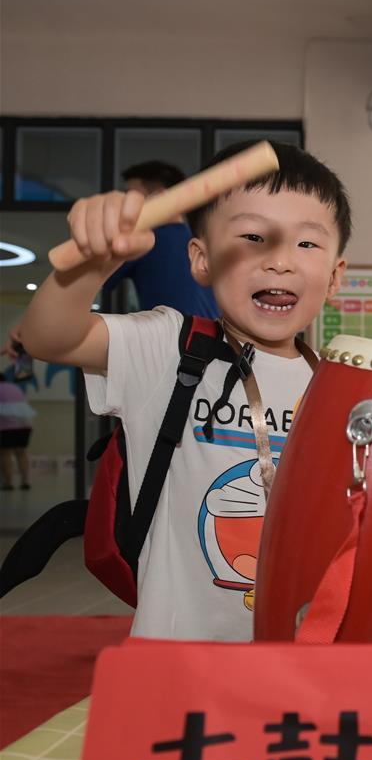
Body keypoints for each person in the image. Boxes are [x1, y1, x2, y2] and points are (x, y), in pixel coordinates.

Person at [19, 141, 350, 641]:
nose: (280, 261)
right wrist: (92, 263)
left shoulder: (341, 385)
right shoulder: (169, 347)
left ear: (334, 277)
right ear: (201, 259)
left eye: (306, 244)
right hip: (175, 660)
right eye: (254, 237)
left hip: (300, 662)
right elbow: (49, 338)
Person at [103, 160, 220, 317]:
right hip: (212, 339)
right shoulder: (204, 240)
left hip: (168, 340)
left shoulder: (143, 241)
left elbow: (98, 278)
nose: (127, 206)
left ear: (160, 196)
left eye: (131, 196)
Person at [0, 372, 36, 490]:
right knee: (22, 452)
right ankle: (26, 481)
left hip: (6, 427)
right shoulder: (14, 388)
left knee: (5, 453)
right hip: (25, 425)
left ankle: (8, 483)